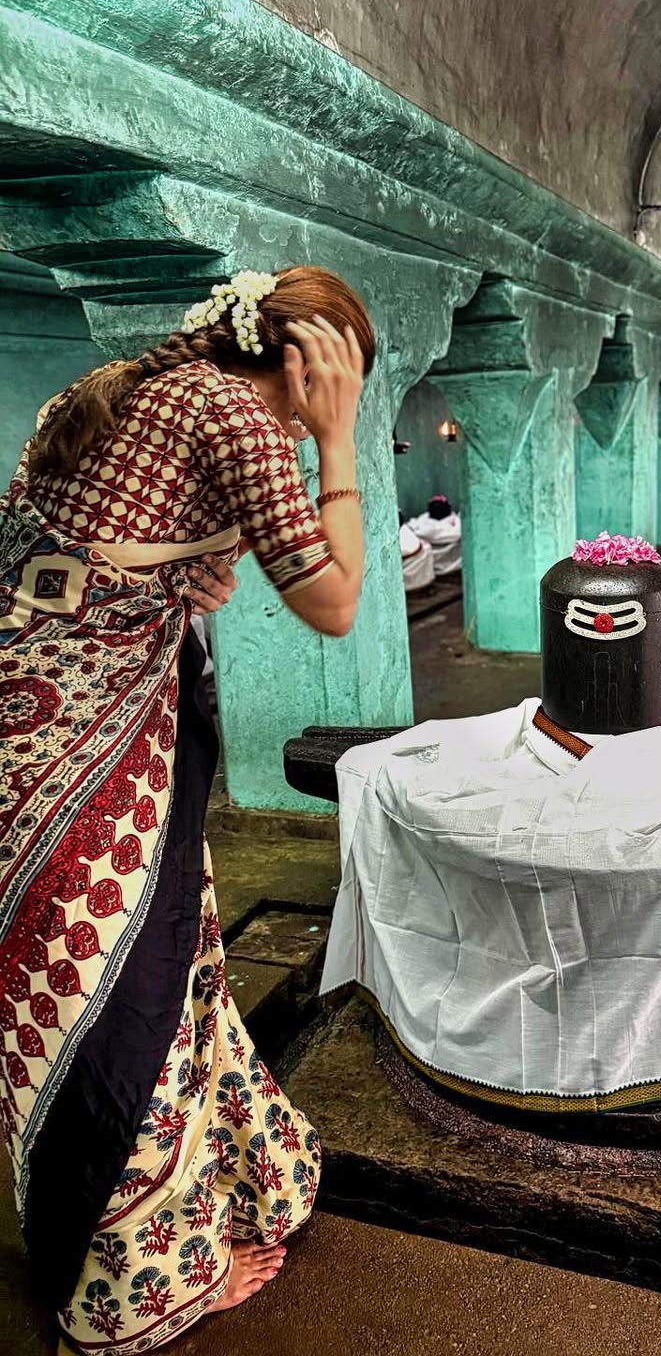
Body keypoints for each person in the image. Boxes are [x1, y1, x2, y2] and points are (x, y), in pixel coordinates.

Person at [0, 265, 373, 1351]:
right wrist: (339, 444)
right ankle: (137, 1287)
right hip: (82, 759)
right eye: (340, 374)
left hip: (41, 742)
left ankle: (173, 1212)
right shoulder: (230, 410)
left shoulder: (129, 388)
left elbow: (88, 554)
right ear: (306, 364)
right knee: (117, 1004)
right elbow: (337, 604)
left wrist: (183, 579)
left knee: (101, 987)